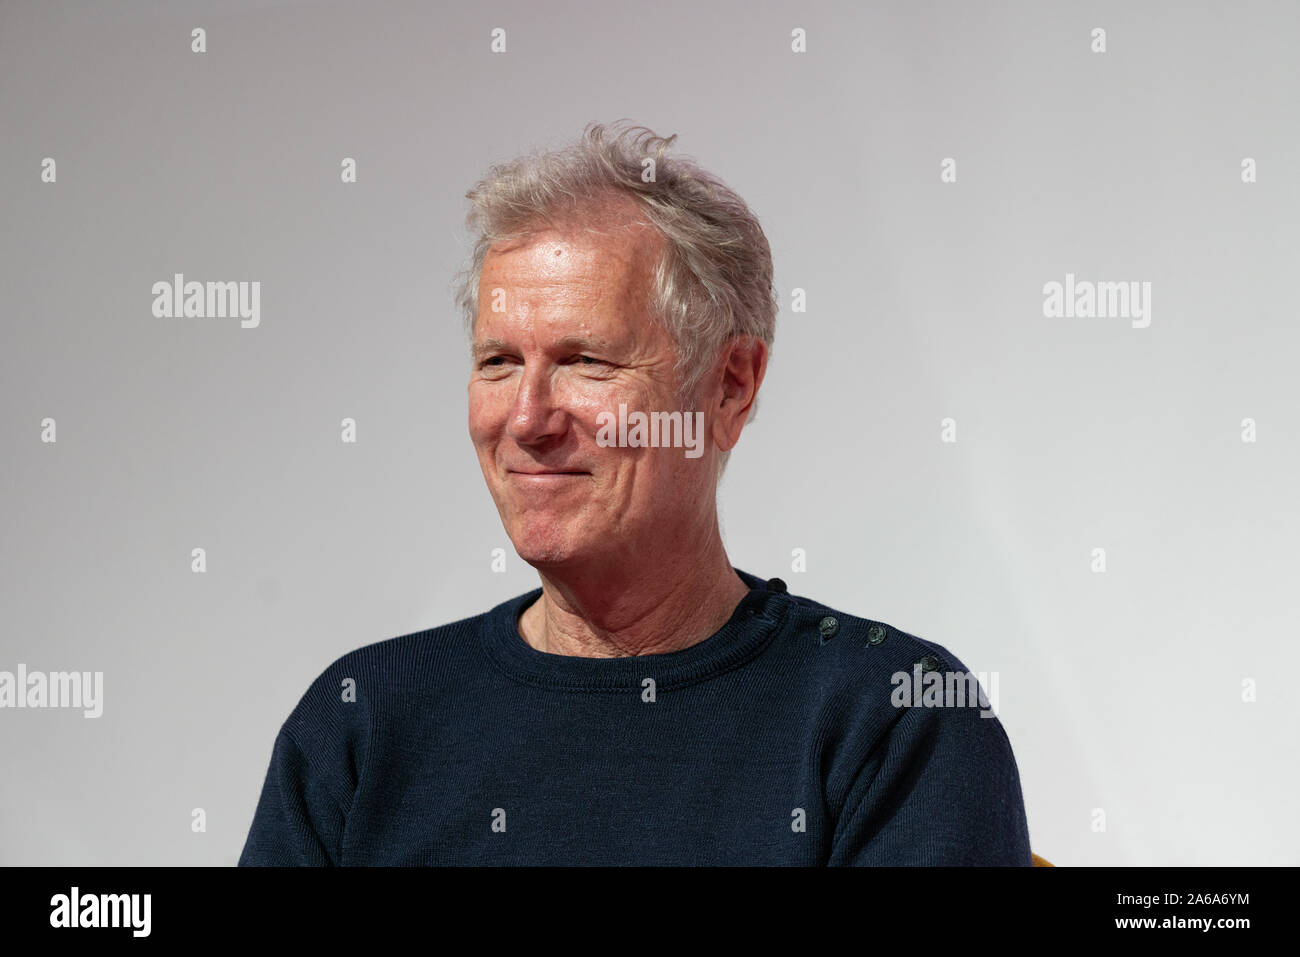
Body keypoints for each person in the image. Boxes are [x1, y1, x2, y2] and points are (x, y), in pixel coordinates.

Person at [238, 120, 1033, 866]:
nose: (527, 419)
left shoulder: (896, 723)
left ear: (728, 387)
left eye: (586, 360)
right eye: (498, 362)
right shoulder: (362, 721)